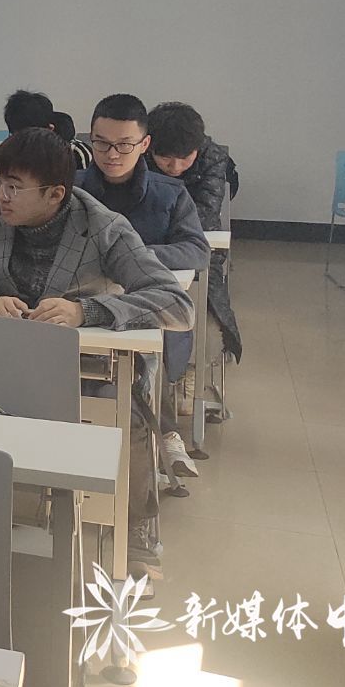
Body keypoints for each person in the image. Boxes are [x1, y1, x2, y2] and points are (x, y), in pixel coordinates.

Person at [0, 128, 193, 575]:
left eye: (14, 186)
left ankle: (135, 535)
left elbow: (176, 305)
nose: (1, 195)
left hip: (89, 367)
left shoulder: (104, 227)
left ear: (55, 194)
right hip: (7, 363)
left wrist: (88, 312)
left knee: (128, 417)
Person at [77, 94, 210, 500]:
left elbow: (197, 250)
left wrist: (133, 256)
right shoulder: (70, 189)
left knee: (146, 350)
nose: (112, 154)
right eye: (101, 144)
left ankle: (158, 439)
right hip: (81, 305)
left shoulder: (169, 194)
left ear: (145, 144)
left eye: (124, 145)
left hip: (143, 303)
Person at [147, 101, 243, 365]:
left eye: (184, 157)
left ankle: (193, 367)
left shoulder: (214, 158)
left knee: (203, 301)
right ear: (149, 146)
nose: (175, 166)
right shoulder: (141, 154)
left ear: (197, 148)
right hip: (151, 245)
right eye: (165, 157)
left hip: (195, 244)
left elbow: (205, 215)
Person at [4, 89, 94, 169]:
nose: (23, 144)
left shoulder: (76, 154)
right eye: (17, 136)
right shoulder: (10, 152)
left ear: (50, 129)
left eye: (30, 138)